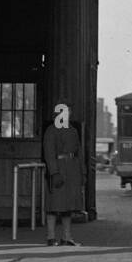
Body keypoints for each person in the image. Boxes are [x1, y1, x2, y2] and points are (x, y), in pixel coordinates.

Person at [42, 103, 86, 247]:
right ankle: (51, 236)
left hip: (72, 169)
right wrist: (54, 172)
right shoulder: (51, 131)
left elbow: (79, 153)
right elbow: (49, 153)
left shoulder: (73, 130)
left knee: (68, 205)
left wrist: (82, 172)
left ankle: (67, 237)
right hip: (59, 168)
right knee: (54, 204)